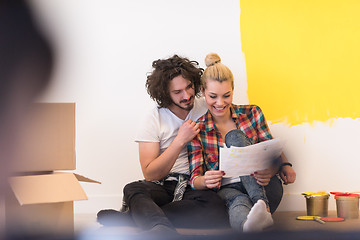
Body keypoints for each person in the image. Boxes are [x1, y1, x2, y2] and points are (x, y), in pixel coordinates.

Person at [98, 55, 229, 236]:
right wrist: (180, 140)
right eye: (178, 92)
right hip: (162, 186)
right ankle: (160, 229)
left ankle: (136, 217)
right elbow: (150, 174)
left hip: (194, 185)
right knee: (133, 189)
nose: (187, 95)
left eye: (189, 86)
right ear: (165, 93)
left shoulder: (207, 106)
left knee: (217, 207)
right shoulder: (153, 118)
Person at [187, 53, 296, 232]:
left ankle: (262, 205)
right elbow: (194, 179)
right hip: (226, 189)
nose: (220, 103)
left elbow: (271, 152)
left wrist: (272, 169)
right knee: (237, 203)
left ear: (233, 91)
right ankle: (250, 226)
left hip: (263, 186)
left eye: (226, 95)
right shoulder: (197, 129)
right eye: (213, 96)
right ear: (203, 92)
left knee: (234, 137)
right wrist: (205, 180)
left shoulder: (252, 113)